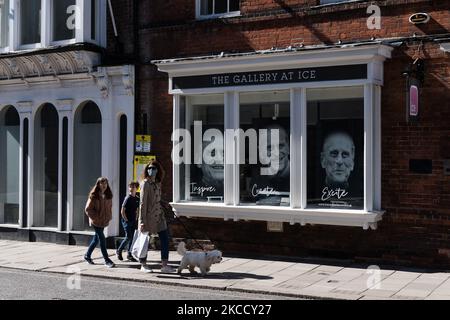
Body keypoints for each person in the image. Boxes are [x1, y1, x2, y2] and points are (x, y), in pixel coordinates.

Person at [138, 160, 175, 273]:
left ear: (157, 170)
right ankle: (143, 264)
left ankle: (164, 265)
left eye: (153, 168)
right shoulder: (145, 184)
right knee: (145, 240)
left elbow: (156, 199)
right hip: (148, 217)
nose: (151, 170)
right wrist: (141, 221)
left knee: (164, 238)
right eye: (149, 168)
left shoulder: (158, 183)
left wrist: (164, 203)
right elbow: (142, 204)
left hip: (159, 216)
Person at [249, 123, 290, 205]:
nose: (276, 152)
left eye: (281, 146)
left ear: (288, 146)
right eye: (269, 148)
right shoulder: (257, 181)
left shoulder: (301, 179)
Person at [84, 177, 115, 268]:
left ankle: (87, 255)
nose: (104, 185)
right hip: (96, 222)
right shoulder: (94, 196)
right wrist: (96, 218)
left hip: (103, 221)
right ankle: (106, 260)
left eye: (105, 183)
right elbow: (88, 209)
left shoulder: (108, 195)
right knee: (102, 239)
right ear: (98, 184)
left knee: (96, 239)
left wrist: (109, 217)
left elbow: (109, 208)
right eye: (102, 183)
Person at [116, 181, 140, 262]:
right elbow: (122, 210)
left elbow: (137, 209)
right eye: (130, 187)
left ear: (136, 189)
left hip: (133, 220)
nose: (131, 188)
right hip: (127, 221)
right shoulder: (128, 198)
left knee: (132, 238)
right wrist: (126, 220)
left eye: (133, 187)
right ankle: (119, 250)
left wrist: (137, 217)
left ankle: (129, 255)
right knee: (128, 237)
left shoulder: (137, 198)